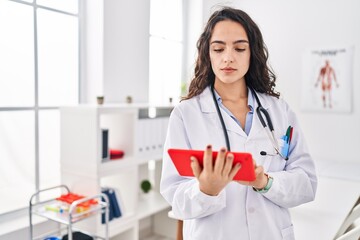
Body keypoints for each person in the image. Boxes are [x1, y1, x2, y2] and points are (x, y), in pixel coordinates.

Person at [160, 7, 317, 240]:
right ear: (208, 54)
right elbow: (174, 196)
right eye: (219, 48)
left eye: (240, 48)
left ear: (252, 52)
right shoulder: (186, 114)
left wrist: (264, 181)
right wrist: (206, 190)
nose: (228, 57)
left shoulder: (279, 110)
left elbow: (307, 184)